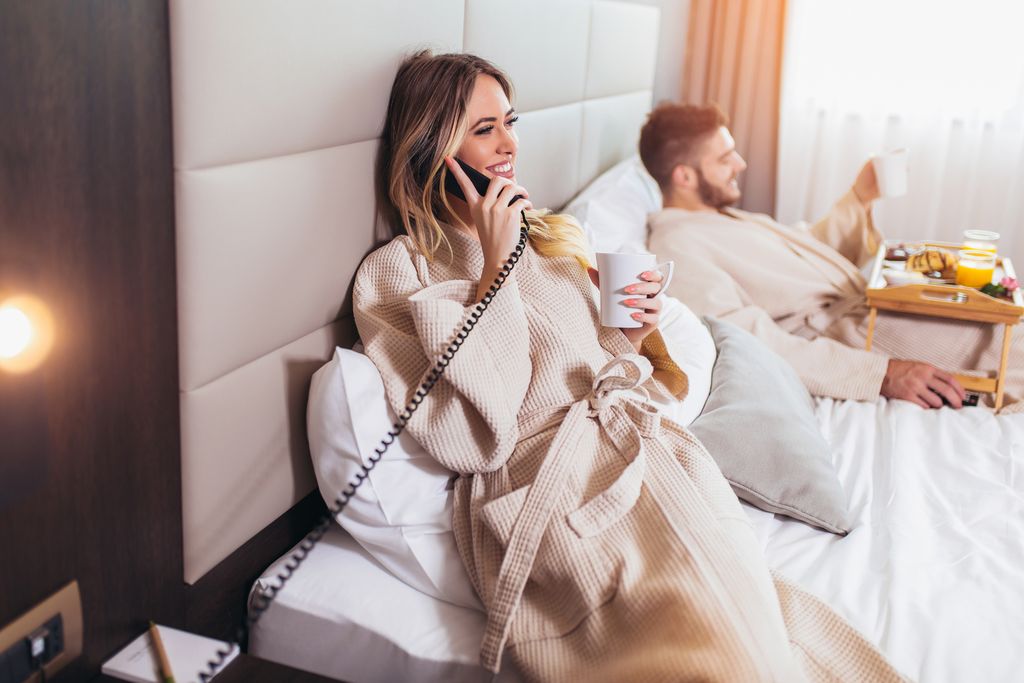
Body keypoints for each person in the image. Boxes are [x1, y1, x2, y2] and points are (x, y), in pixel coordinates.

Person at [354, 51, 906, 681]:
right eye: (485, 130)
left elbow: (592, 368)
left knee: (781, 635)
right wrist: (494, 268)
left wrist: (631, 336)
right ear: (431, 150)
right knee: (721, 660)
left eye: (510, 122)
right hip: (557, 492)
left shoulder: (551, 237)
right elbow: (474, 437)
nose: (509, 144)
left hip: (657, 460)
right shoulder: (398, 272)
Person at [641, 102, 1024, 411]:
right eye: (725, 158)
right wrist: (882, 374)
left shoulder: (715, 217)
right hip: (849, 339)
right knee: (1003, 348)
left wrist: (860, 196)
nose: (740, 164)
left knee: (1001, 322)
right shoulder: (677, 244)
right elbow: (740, 335)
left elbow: (806, 252)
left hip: (866, 311)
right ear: (684, 176)